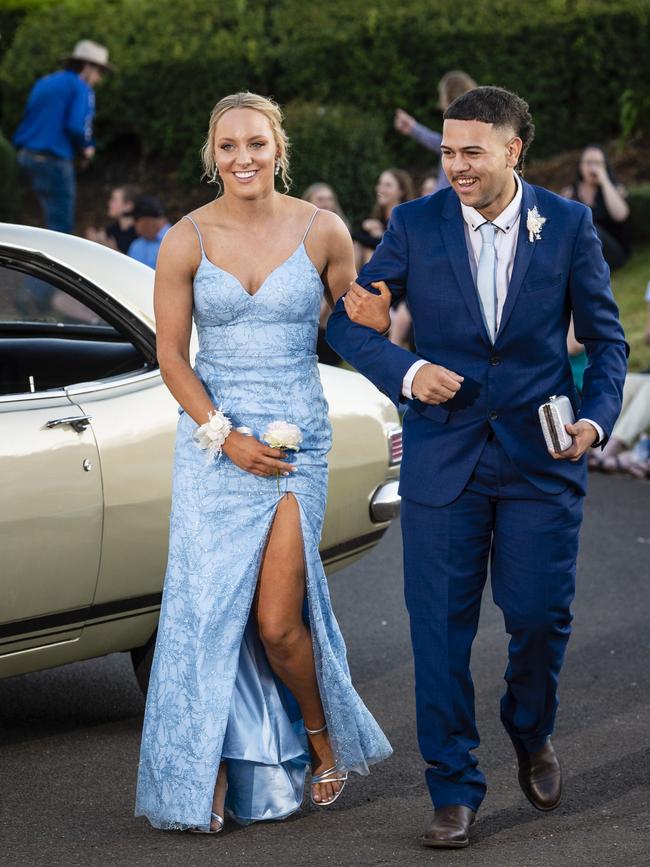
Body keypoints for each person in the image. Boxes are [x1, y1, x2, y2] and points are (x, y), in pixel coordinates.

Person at [327, 86, 627, 849]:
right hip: (444, 456)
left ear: (512, 150)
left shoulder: (567, 224)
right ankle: (453, 785)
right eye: (446, 152)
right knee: (439, 634)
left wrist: (594, 420)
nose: (455, 166)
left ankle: (531, 730)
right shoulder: (414, 222)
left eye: (471, 152)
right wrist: (405, 369)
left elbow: (607, 339)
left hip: (541, 460)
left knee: (538, 618)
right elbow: (348, 321)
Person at [135, 92, 391, 833]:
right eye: (227, 147)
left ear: (279, 148)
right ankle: (203, 771)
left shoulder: (324, 231)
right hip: (216, 443)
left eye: (255, 143)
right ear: (211, 157)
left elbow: (356, 330)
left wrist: (375, 321)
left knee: (279, 623)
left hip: (293, 446)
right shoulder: (185, 239)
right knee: (205, 616)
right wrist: (222, 432)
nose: (242, 158)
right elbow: (171, 356)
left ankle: (319, 739)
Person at [13, 40, 112, 234]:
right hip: (53, 161)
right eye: (100, 71)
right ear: (88, 66)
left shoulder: (45, 82)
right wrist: (86, 148)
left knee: (25, 222)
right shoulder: (82, 88)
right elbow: (77, 126)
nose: (99, 78)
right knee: (60, 228)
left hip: (25, 157)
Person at [394, 70, 477, 192]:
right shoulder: (473, 122)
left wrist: (413, 128)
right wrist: (413, 128)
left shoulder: (459, 123)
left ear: (448, 95)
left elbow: (442, 145)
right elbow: (441, 143)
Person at [561, 145, 631, 271]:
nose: (593, 167)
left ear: (605, 166)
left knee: (591, 227)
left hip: (613, 252)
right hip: (583, 252)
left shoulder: (614, 189)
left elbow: (621, 216)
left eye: (598, 163)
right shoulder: (571, 193)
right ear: (580, 166)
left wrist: (604, 180)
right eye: (588, 162)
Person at [302, 182, 349, 365]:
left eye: (330, 199)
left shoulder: (342, 236)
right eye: (321, 199)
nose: (326, 204)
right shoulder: (295, 237)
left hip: (326, 324)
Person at [353, 168, 414, 269]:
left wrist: (378, 236)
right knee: (358, 247)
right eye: (380, 184)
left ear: (401, 191)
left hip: (397, 269)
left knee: (369, 252)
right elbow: (356, 237)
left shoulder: (406, 219)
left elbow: (397, 249)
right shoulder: (377, 218)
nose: (381, 189)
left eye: (388, 185)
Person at [85, 184, 140, 253]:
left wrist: (113, 249)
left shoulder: (140, 234)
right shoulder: (111, 230)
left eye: (114, 200)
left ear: (128, 206)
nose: (109, 203)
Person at [127, 196, 171, 269]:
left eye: (136, 220)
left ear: (149, 220)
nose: (133, 224)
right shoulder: (136, 245)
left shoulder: (177, 241)